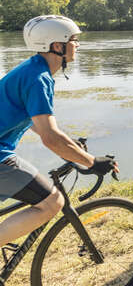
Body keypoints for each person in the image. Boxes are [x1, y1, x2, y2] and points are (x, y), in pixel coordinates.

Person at [0, 15, 118, 248]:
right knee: (53, 202)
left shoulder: (30, 70)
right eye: (74, 40)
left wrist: (69, 146)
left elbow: (32, 121)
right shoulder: (38, 79)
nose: (78, 45)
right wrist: (91, 161)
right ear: (57, 46)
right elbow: (50, 137)